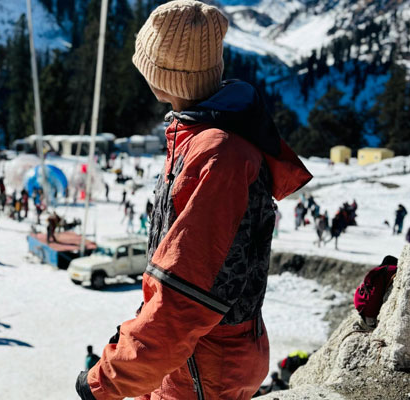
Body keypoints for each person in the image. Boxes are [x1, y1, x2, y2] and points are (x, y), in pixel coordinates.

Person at [75, 3, 312, 399]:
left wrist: (106, 380)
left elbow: (185, 298)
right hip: (195, 358)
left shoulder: (217, 153)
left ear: (163, 77)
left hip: (203, 366)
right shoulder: (202, 134)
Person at [354, 256, 398, 329]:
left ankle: (366, 322)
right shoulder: (393, 270)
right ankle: (368, 324)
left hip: (359, 301)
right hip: (368, 309)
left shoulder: (379, 270)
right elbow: (376, 297)